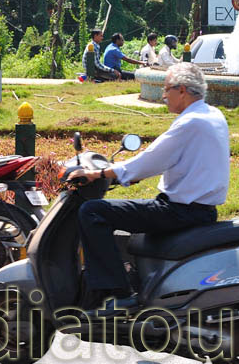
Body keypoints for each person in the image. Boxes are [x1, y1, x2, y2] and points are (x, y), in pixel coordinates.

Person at [70, 62, 229, 314]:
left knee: (92, 212)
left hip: (179, 211)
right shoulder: (213, 115)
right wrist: (132, 175)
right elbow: (176, 160)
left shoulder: (190, 123)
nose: (164, 96)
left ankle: (119, 295)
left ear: (183, 90)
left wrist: (98, 173)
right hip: (202, 209)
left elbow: (150, 159)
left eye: (167, 89)